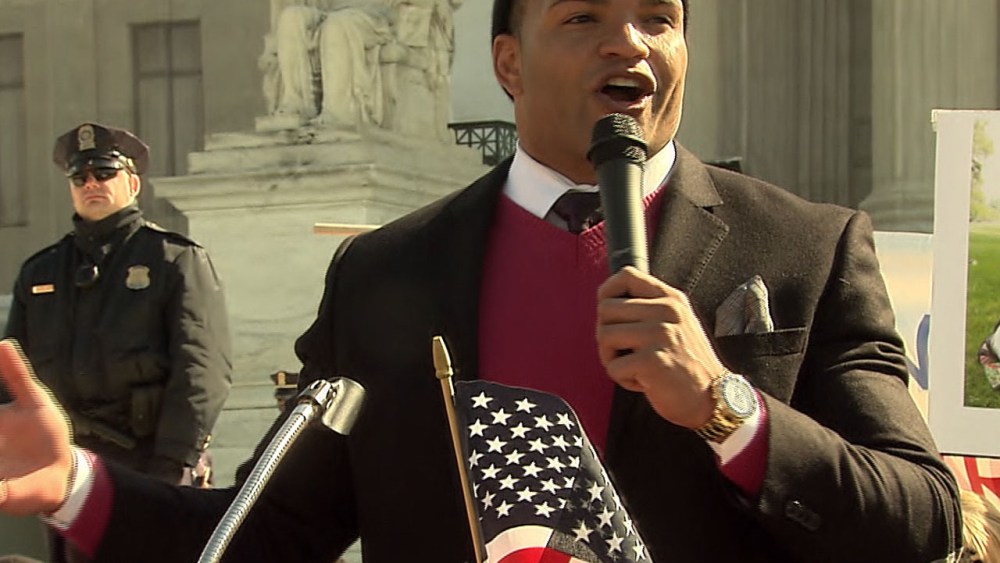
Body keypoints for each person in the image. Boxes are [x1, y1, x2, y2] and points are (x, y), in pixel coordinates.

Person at [0, 2, 962, 562]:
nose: (629, 42)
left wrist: (727, 407)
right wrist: (72, 484)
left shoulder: (806, 247)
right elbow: (272, 530)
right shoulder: (385, 274)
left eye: (658, 18)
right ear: (508, 61)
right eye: (583, 17)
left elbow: (923, 516)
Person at [2, 122, 232, 487]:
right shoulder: (41, 271)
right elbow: (11, 372)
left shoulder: (173, 259)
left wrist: (174, 460)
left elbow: (201, 369)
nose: (91, 184)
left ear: (133, 184)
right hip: (64, 464)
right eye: (80, 178)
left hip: (149, 460)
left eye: (105, 173)